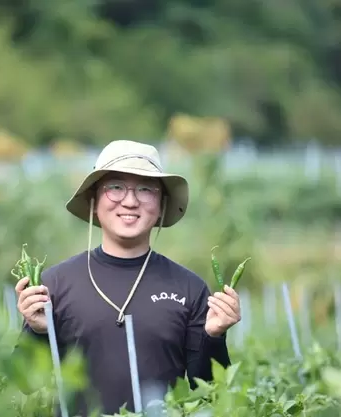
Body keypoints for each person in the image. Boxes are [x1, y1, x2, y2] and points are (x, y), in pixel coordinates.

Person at [15, 140, 240, 416]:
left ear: (161, 205)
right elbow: (24, 383)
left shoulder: (189, 288)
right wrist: (37, 332)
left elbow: (210, 390)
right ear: (94, 201)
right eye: (115, 187)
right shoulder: (54, 286)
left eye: (146, 189)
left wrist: (214, 338)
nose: (130, 201)